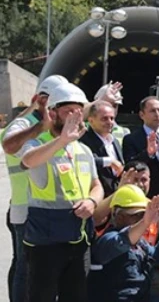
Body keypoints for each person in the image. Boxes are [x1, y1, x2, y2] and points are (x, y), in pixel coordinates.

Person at [19, 82, 105, 302]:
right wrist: (62, 140)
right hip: (46, 242)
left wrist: (92, 202)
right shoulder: (38, 143)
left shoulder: (83, 150)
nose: (74, 117)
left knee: (76, 296)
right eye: (68, 111)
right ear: (52, 112)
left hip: (78, 239)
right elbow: (28, 161)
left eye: (78, 112)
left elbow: (97, 186)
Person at [0, 74, 67, 302]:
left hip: (45, 208)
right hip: (25, 209)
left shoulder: (56, 125)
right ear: (40, 100)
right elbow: (9, 144)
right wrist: (40, 127)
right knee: (24, 268)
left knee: (31, 266)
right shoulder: (26, 124)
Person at [87, 185, 159, 302]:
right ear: (120, 217)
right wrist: (145, 222)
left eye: (144, 214)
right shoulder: (107, 240)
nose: (144, 219)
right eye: (138, 216)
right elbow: (124, 239)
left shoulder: (141, 243)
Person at [122, 96, 159, 198]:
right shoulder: (131, 139)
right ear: (142, 114)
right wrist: (148, 154)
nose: (157, 114)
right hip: (144, 195)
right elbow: (130, 166)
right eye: (152, 111)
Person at [80, 100, 125, 197]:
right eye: (104, 119)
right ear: (91, 121)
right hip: (96, 198)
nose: (109, 122)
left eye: (112, 118)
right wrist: (109, 161)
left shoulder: (115, 141)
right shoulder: (83, 140)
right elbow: (85, 161)